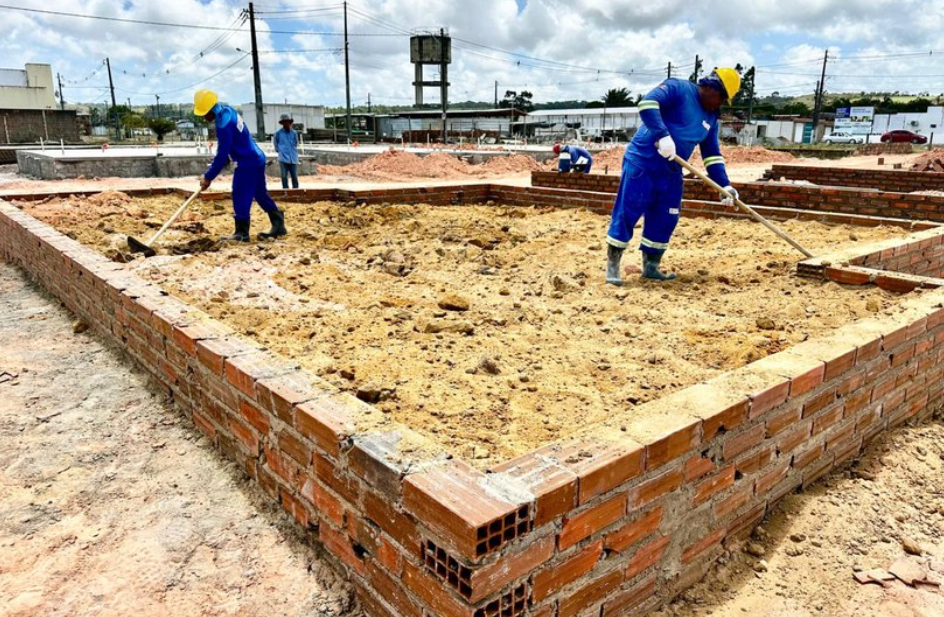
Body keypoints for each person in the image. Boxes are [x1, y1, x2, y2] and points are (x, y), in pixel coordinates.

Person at [605, 68, 740, 284]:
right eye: (722, 97)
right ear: (711, 87)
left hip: (671, 172)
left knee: (666, 217)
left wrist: (724, 185)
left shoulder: (711, 119)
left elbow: (712, 155)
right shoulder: (678, 88)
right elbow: (647, 104)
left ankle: (651, 266)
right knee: (628, 210)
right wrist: (663, 135)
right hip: (643, 162)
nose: (721, 104)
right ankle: (612, 266)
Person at [193, 89, 287, 242]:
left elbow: (222, 154)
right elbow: (232, 145)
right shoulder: (229, 110)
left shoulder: (223, 125)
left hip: (247, 161)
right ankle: (278, 224)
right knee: (260, 194)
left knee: (240, 193)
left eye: (204, 113)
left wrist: (208, 177)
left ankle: (242, 233)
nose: (204, 118)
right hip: (257, 157)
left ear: (210, 109)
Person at [272, 113, 300, 189]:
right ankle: (285, 191)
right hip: (283, 159)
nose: (286, 124)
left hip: (293, 158)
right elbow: (275, 143)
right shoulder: (278, 133)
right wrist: (280, 151)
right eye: (284, 122)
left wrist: (293, 150)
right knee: (284, 177)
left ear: (290, 123)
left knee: (294, 176)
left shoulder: (294, 133)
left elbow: (296, 143)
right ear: (282, 123)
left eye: (287, 122)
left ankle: (296, 191)